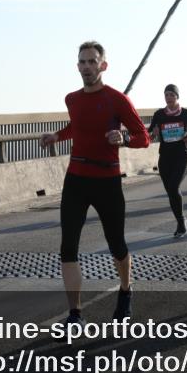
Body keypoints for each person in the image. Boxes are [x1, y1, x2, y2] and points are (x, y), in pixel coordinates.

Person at [41, 41, 150, 332]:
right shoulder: (72, 99)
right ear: (77, 66)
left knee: (117, 245)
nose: (87, 66)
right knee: (68, 248)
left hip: (107, 181)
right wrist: (57, 136)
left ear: (103, 65)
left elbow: (144, 137)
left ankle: (125, 291)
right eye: (82, 61)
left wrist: (124, 139)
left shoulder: (117, 100)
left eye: (92, 61)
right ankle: (75, 315)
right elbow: (77, 127)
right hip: (76, 179)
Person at [148, 84, 187, 238]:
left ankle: (181, 222)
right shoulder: (159, 114)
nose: (168, 98)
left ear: (177, 97)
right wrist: (153, 134)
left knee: (173, 186)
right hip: (165, 157)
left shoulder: (186, 113)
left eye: (171, 95)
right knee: (171, 192)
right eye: (166, 95)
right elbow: (149, 135)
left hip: (181, 156)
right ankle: (180, 222)